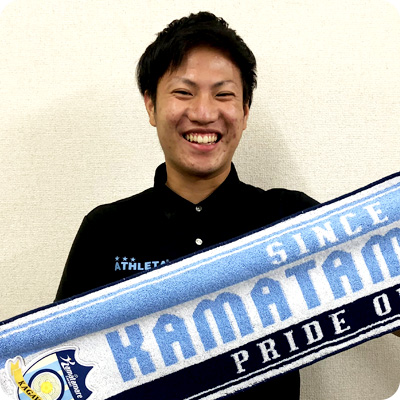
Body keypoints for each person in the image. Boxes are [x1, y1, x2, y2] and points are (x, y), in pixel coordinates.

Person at [55, 12, 318, 398]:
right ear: (151, 105)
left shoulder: (291, 219)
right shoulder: (106, 229)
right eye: (183, 92)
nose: (204, 113)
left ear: (245, 111)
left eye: (223, 94)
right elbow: (63, 369)